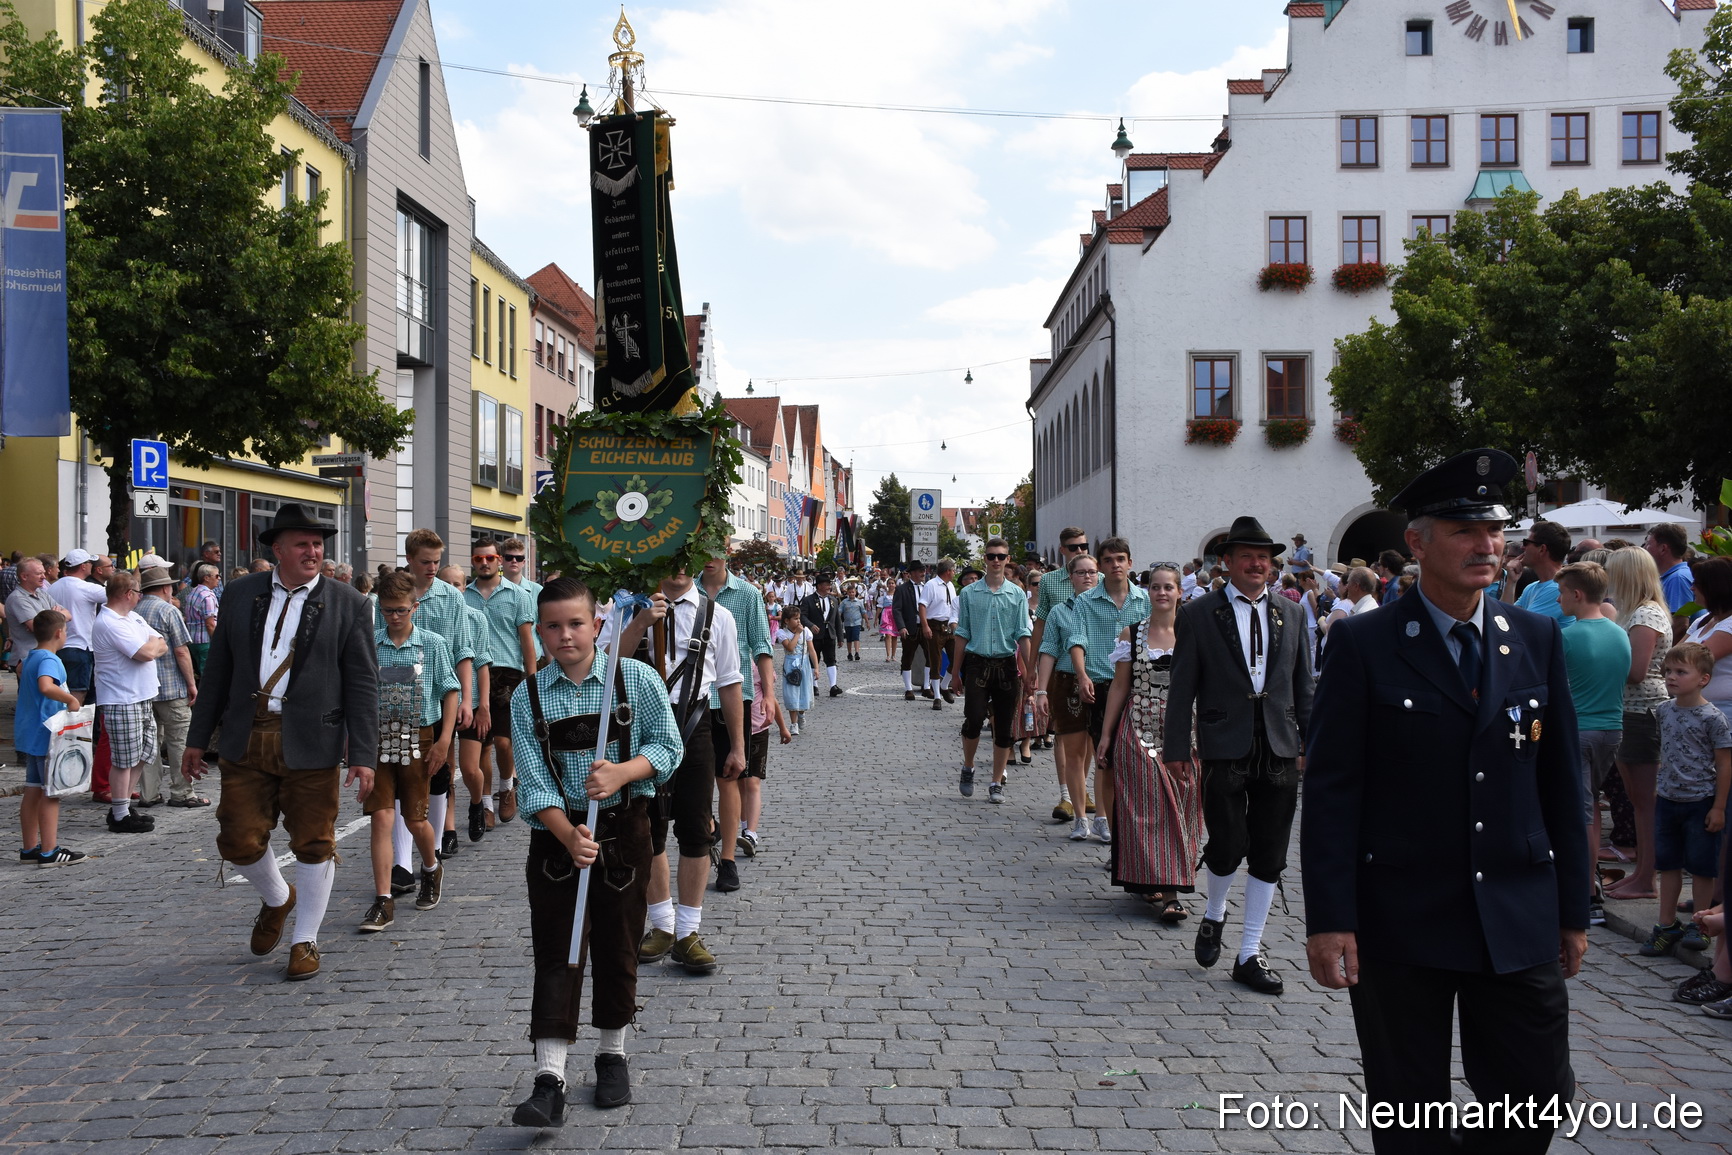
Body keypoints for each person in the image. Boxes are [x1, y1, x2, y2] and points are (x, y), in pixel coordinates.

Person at [1302, 448, 1588, 1154]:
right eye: (1463, 529)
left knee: (1540, 1092)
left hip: (1515, 911)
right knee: (1409, 1108)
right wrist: (1330, 917)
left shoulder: (1534, 636)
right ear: (1417, 542)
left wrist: (1573, 909)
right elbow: (1335, 786)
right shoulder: (1365, 644)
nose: (1486, 544)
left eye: (1493, 529)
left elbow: (1561, 781)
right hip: (1403, 915)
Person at [507, 578, 683, 1123]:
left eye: (576, 624)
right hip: (558, 843)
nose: (565, 636)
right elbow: (533, 782)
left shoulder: (635, 679)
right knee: (558, 950)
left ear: (598, 625)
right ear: (540, 631)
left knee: (618, 946)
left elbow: (668, 745)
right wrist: (567, 834)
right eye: (553, 626)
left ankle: (613, 1055)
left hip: (626, 831)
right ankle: (549, 1077)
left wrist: (625, 771)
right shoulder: (528, 694)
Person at [183, 503, 380, 982]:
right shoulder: (240, 593)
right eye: (302, 544)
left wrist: (363, 754)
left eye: (317, 545)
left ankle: (305, 939)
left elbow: (364, 682)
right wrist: (196, 737)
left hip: (315, 738)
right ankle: (277, 898)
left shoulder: (348, 602)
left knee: (314, 842)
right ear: (278, 549)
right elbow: (218, 673)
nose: (313, 552)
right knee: (236, 838)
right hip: (246, 736)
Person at [1166, 516, 1312, 997]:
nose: (1257, 564)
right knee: (1226, 846)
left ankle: (1250, 951)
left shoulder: (1291, 614)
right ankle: (1213, 913)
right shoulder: (1198, 614)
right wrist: (1175, 750)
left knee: (1271, 851)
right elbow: (1182, 686)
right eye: (1247, 556)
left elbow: (1302, 685)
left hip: (1279, 745)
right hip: (1223, 745)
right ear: (1225, 563)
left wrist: (1309, 741)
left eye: (1265, 558)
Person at [616, 565, 745, 966]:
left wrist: (738, 745)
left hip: (696, 724)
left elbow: (729, 681)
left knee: (695, 828)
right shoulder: (627, 607)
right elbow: (605, 666)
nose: (678, 566)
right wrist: (640, 621)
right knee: (648, 826)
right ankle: (662, 924)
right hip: (640, 727)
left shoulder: (717, 615)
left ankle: (688, 932)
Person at [358, 571, 459, 933]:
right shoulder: (370, 642)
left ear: (414, 606)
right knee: (382, 818)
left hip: (420, 737)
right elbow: (359, 692)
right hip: (379, 737)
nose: (395, 617)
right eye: (387, 611)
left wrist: (445, 740)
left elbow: (450, 689)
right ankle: (383, 899)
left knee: (416, 820)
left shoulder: (431, 643)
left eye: (401, 610)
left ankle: (431, 867)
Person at [1097, 564, 1198, 922]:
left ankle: (1165, 878)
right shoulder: (1132, 634)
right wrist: (1107, 735)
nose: (1162, 593)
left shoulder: (1194, 634)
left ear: (1179, 592)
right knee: (1147, 808)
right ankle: (1167, 892)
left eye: (1168, 587)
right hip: (1138, 727)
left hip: (1185, 730)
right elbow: (1120, 687)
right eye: (1155, 587)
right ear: (1148, 591)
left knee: (1181, 807)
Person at [1639, 642, 1732, 959]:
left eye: (1681, 672)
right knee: (1668, 863)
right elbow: (1666, 751)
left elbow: (1723, 764)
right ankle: (1666, 925)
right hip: (1669, 799)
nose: (1671, 678)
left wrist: (1719, 806)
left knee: (1702, 866)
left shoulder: (1713, 718)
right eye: (1668, 672)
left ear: (1703, 678)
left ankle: (1700, 922)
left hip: (1701, 800)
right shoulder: (1663, 711)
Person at [1555, 562, 1629, 926]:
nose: (1559, 599)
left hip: (1579, 731)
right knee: (1593, 809)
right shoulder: (1620, 633)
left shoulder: (1568, 635)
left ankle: (1586, 892)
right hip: (1611, 730)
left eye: (1563, 593)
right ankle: (1590, 880)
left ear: (1577, 594)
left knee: (1581, 814)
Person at [1064, 537, 1150, 840]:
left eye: (1121, 559)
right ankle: (1114, 835)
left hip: (1140, 689)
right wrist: (1082, 674)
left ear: (1130, 563)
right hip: (1101, 686)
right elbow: (1076, 640)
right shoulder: (1086, 601)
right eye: (1109, 560)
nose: (1115, 565)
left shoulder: (1145, 600)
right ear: (1101, 566)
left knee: (1140, 762)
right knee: (1109, 760)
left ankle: (1133, 831)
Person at [1603, 547, 1672, 903]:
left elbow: (1637, 671)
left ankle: (1647, 878)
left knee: (1645, 801)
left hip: (1643, 712)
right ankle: (1641, 874)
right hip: (1627, 710)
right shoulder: (1632, 611)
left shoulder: (1646, 614)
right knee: (1636, 799)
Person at [949, 538, 1032, 805]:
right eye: (991, 556)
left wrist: (1030, 671)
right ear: (984, 559)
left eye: (1001, 556)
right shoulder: (970, 593)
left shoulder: (1017, 594)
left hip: (1006, 665)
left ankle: (996, 781)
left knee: (1005, 728)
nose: (996, 560)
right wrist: (954, 672)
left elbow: (1023, 634)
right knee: (973, 719)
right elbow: (962, 633)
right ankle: (969, 766)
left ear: (1008, 559)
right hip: (978, 663)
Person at [466, 539, 538, 836]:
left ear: (498, 561)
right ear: (473, 561)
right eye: (479, 558)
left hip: (509, 674)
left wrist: (532, 681)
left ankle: (507, 786)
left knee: (504, 743)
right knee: (482, 744)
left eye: (490, 558)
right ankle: (485, 804)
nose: (485, 563)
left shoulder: (519, 595)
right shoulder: (464, 596)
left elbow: (527, 641)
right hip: (473, 674)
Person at [92, 571, 169, 834]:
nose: (139, 597)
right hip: (121, 698)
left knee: (144, 754)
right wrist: (152, 646)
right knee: (124, 759)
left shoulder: (132, 618)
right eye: (138, 593)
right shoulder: (111, 622)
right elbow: (148, 652)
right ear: (128, 594)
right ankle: (120, 812)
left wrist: (153, 646)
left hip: (142, 694)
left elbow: (162, 643)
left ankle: (122, 806)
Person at [1032, 527, 1094, 821]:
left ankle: (1083, 789)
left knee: (1091, 738)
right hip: (1062, 669)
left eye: (1083, 545)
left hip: (1096, 670)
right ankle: (1066, 795)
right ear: (1062, 549)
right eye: (1073, 547)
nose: (1079, 550)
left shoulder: (1099, 578)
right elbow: (1042, 626)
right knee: (1063, 735)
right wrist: (1033, 670)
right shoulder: (1050, 582)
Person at [16, 611, 86, 866]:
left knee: (33, 791)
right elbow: (46, 685)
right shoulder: (49, 659)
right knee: (51, 792)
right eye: (66, 631)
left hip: (31, 733)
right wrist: (70, 699)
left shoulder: (31, 656)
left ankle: (28, 849)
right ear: (59, 633)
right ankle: (49, 850)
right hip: (48, 734)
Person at [134, 568, 206, 809]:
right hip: (171, 687)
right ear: (166, 588)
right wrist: (191, 683)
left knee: (150, 742)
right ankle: (182, 792)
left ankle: (149, 793)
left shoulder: (134, 610)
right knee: (178, 740)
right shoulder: (168, 610)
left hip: (143, 687)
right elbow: (181, 650)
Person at [46, 549, 108, 705]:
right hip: (80, 647)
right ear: (83, 566)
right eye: (89, 563)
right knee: (77, 695)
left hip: (57, 646)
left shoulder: (52, 587)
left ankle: (62, 727)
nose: (92, 566)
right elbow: (117, 593)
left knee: (60, 694)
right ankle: (72, 728)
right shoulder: (85, 587)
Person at [1515, 519, 1573, 629]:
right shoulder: (1531, 587)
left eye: (1526, 543)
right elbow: (1501, 618)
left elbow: (1518, 627)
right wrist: (1511, 582)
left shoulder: (1557, 588)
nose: (1522, 547)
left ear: (1542, 549)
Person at [918, 560, 959, 709]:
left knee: (956, 659)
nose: (954, 573)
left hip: (949, 625)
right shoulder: (931, 585)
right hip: (934, 626)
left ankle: (944, 685)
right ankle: (936, 697)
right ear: (948, 571)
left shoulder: (951, 585)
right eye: (953, 570)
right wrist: (925, 626)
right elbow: (922, 605)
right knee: (936, 661)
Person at [1645, 522, 1696, 640]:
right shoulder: (1677, 575)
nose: (1644, 548)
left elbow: (1680, 625)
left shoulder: (1678, 578)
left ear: (1663, 549)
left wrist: (1664, 653)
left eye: (1648, 544)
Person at [6, 558, 57, 675]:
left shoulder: (42, 593)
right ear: (24, 576)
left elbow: (68, 615)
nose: (44, 576)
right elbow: (39, 629)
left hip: (43, 655)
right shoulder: (18, 599)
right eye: (39, 573)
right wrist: (55, 616)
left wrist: (53, 618)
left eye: (44, 573)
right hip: (27, 658)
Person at [799, 574, 845, 698]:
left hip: (829, 634)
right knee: (814, 660)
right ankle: (814, 686)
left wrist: (840, 637)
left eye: (829, 584)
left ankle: (833, 686)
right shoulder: (808, 600)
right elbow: (802, 616)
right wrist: (810, 625)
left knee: (831, 660)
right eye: (827, 585)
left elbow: (837, 620)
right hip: (814, 636)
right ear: (819, 586)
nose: (829, 587)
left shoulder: (833, 600)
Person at [777, 605, 818, 734]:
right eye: (795, 619)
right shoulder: (782, 633)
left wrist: (816, 667)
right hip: (790, 665)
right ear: (787, 621)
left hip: (804, 664)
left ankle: (801, 713)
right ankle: (793, 723)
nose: (798, 621)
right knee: (792, 693)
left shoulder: (806, 632)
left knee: (803, 692)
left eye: (799, 618)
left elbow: (811, 650)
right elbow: (790, 647)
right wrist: (798, 633)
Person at [892, 560, 927, 700]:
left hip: (925, 627)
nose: (922, 574)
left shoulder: (927, 587)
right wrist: (901, 627)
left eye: (923, 571)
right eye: (919, 571)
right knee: (907, 658)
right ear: (912, 573)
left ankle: (927, 686)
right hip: (909, 628)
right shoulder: (902, 589)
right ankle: (908, 688)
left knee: (930, 657)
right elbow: (897, 609)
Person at [183, 562, 221, 677]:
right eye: (217, 576)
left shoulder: (193, 592)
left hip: (193, 640)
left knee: (201, 671)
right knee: (209, 674)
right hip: (205, 641)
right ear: (206, 578)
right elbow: (210, 624)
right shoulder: (208, 596)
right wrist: (217, 642)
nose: (219, 579)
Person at [839, 584, 866, 662]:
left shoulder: (859, 602)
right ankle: (849, 653)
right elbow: (840, 611)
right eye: (850, 592)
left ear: (855, 592)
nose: (851, 594)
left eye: (853, 592)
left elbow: (863, 612)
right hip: (847, 623)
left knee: (856, 637)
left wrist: (867, 622)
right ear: (847, 593)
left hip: (857, 623)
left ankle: (857, 652)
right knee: (849, 639)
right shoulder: (844, 602)